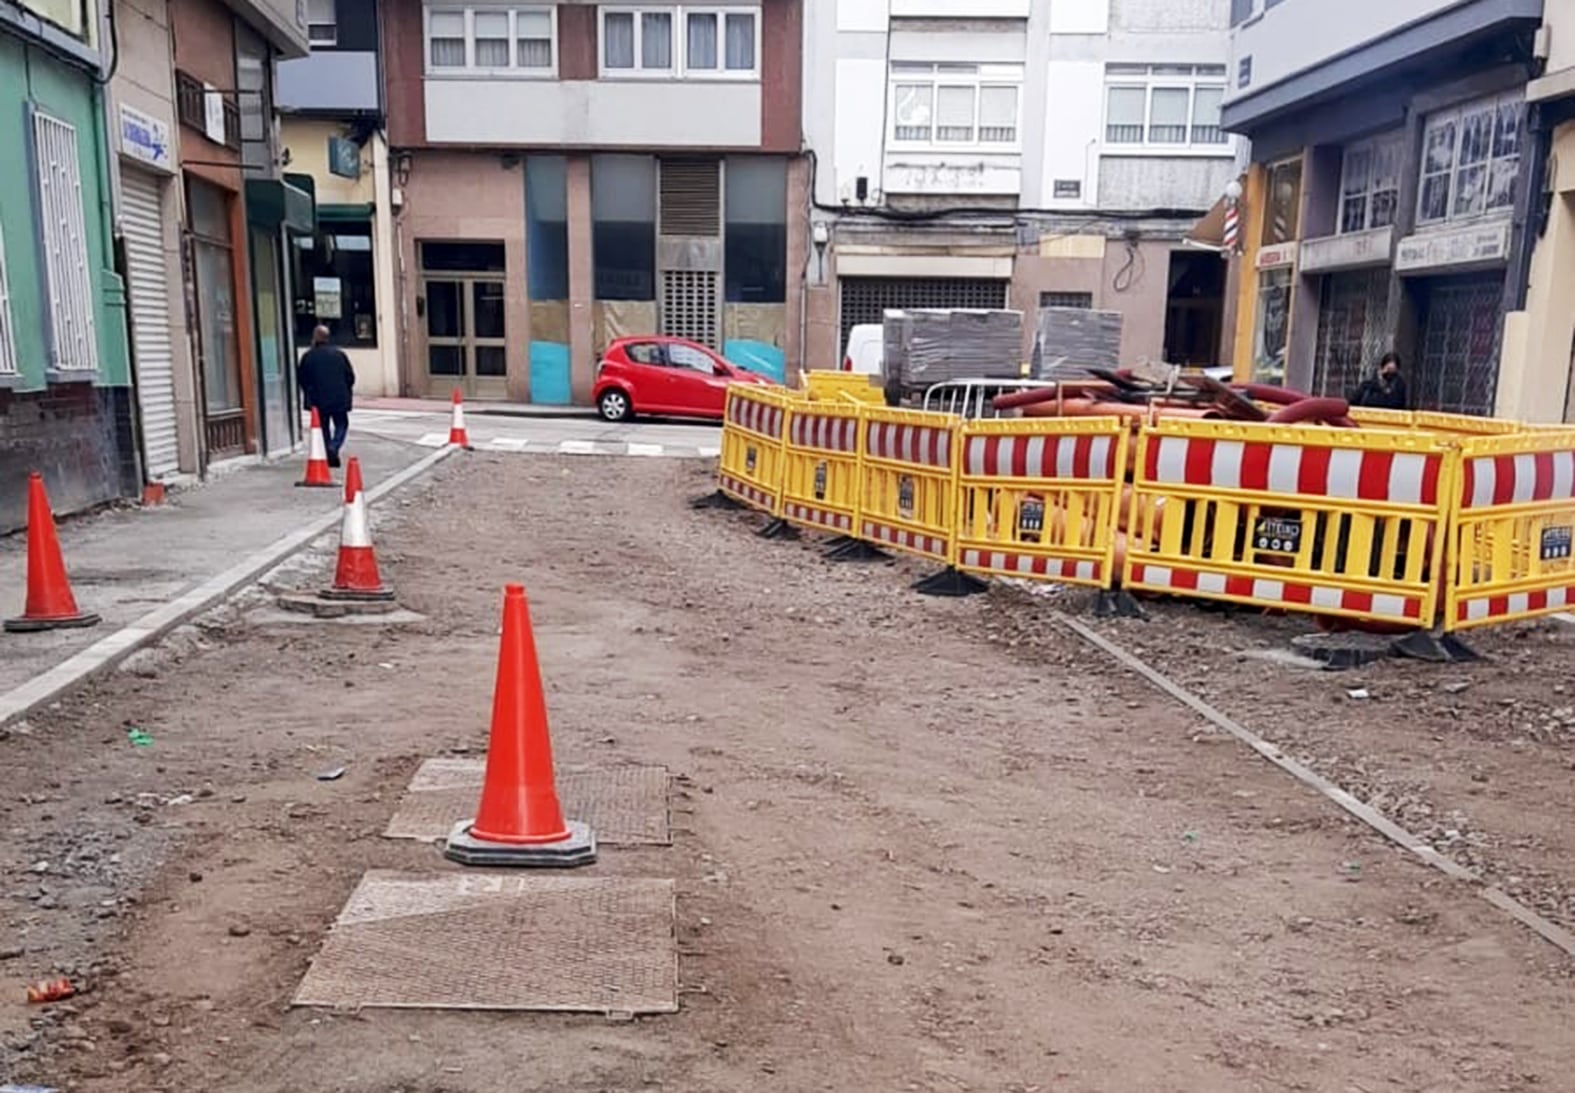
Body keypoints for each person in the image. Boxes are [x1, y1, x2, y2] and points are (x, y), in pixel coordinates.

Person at [297, 325, 356, 467]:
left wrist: (309, 393)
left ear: (314, 338)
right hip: (339, 398)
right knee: (341, 424)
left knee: (323, 426)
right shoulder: (339, 355)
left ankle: (329, 449)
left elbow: (302, 378)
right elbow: (350, 376)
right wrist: (346, 390)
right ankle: (334, 446)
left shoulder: (308, 356)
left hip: (318, 398)